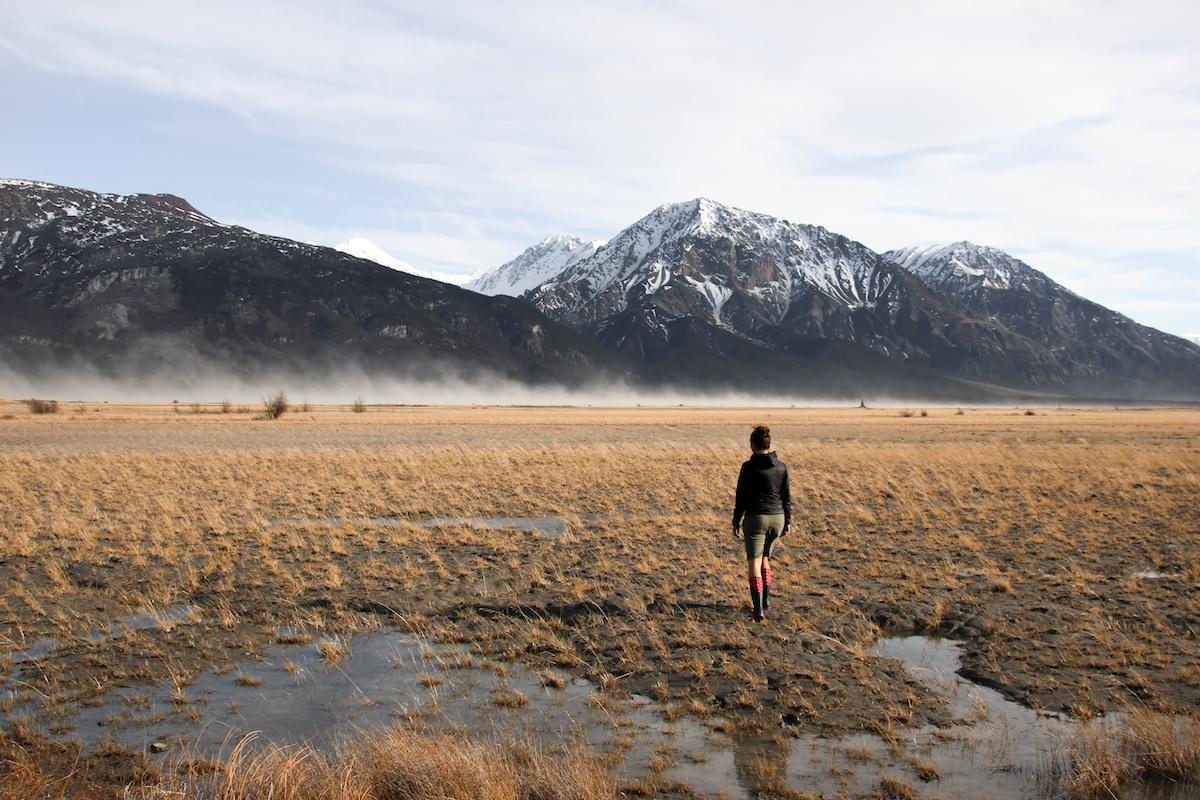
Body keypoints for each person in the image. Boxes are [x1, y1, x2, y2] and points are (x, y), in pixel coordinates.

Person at [731, 425, 790, 622]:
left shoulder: (748, 467)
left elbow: (741, 497)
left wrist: (736, 520)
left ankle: (758, 610)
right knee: (765, 557)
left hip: (756, 519)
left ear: (752, 445)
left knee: (754, 563)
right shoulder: (781, 467)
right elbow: (786, 496)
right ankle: (765, 602)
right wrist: (788, 521)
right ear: (768, 444)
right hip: (777, 518)